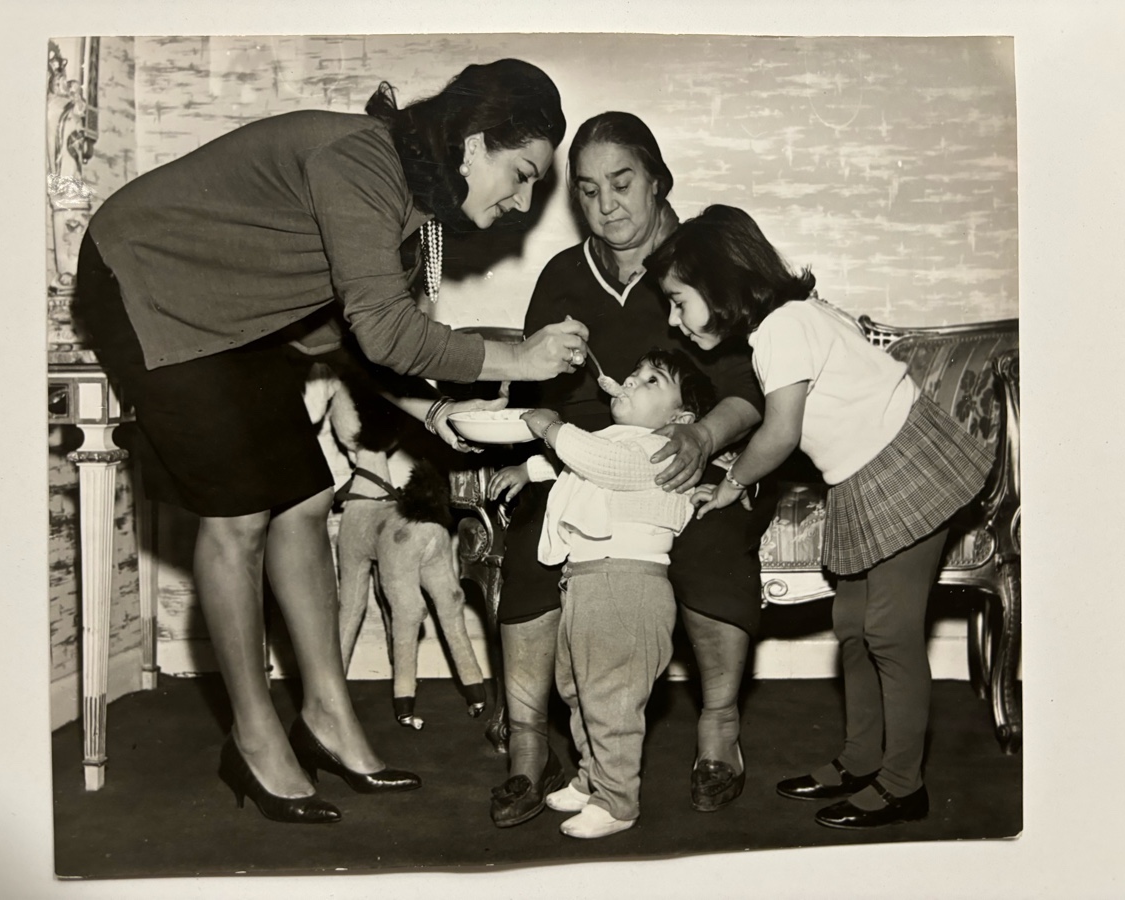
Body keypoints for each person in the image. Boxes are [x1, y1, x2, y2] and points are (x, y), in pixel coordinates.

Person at [73, 59, 589, 825]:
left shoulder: (415, 209)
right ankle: (252, 739)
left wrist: (427, 411)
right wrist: (519, 357)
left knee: (308, 496)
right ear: (474, 144)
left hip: (237, 316)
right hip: (147, 280)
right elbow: (384, 332)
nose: (519, 202)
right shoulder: (363, 161)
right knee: (239, 517)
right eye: (519, 175)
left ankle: (326, 717)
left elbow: (340, 335)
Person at [647, 204, 994, 829]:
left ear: (721, 286)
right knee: (854, 624)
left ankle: (901, 784)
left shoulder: (784, 327)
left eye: (678, 301)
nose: (674, 320)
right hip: (864, 476)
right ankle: (863, 759)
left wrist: (731, 484)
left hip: (905, 466)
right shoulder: (785, 325)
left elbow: (780, 434)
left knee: (887, 631)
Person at [487, 112, 776, 828]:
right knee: (531, 538)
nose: (607, 204)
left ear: (657, 179)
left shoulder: (696, 261)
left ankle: (719, 731)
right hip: (582, 466)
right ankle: (530, 747)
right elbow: (538, 396)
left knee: (709, 542)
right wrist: (545, 456)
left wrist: (704, 438)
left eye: (621, 183)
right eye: (587, 191)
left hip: (691, 458)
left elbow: (751, 390)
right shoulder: (562, 276)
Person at [495, 350, 717, 839]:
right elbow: (583, 471)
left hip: (626, 586)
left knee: (611, 700)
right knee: (578, 689)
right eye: (634, 372)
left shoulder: (664, 448)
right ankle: (593, 779)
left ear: (680, 420)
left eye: (651, 380)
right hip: (589, 581)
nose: (632, 380)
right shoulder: (619, 442)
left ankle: (617, 802)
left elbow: (605, 464)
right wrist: (531, 470)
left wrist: (550, 428)